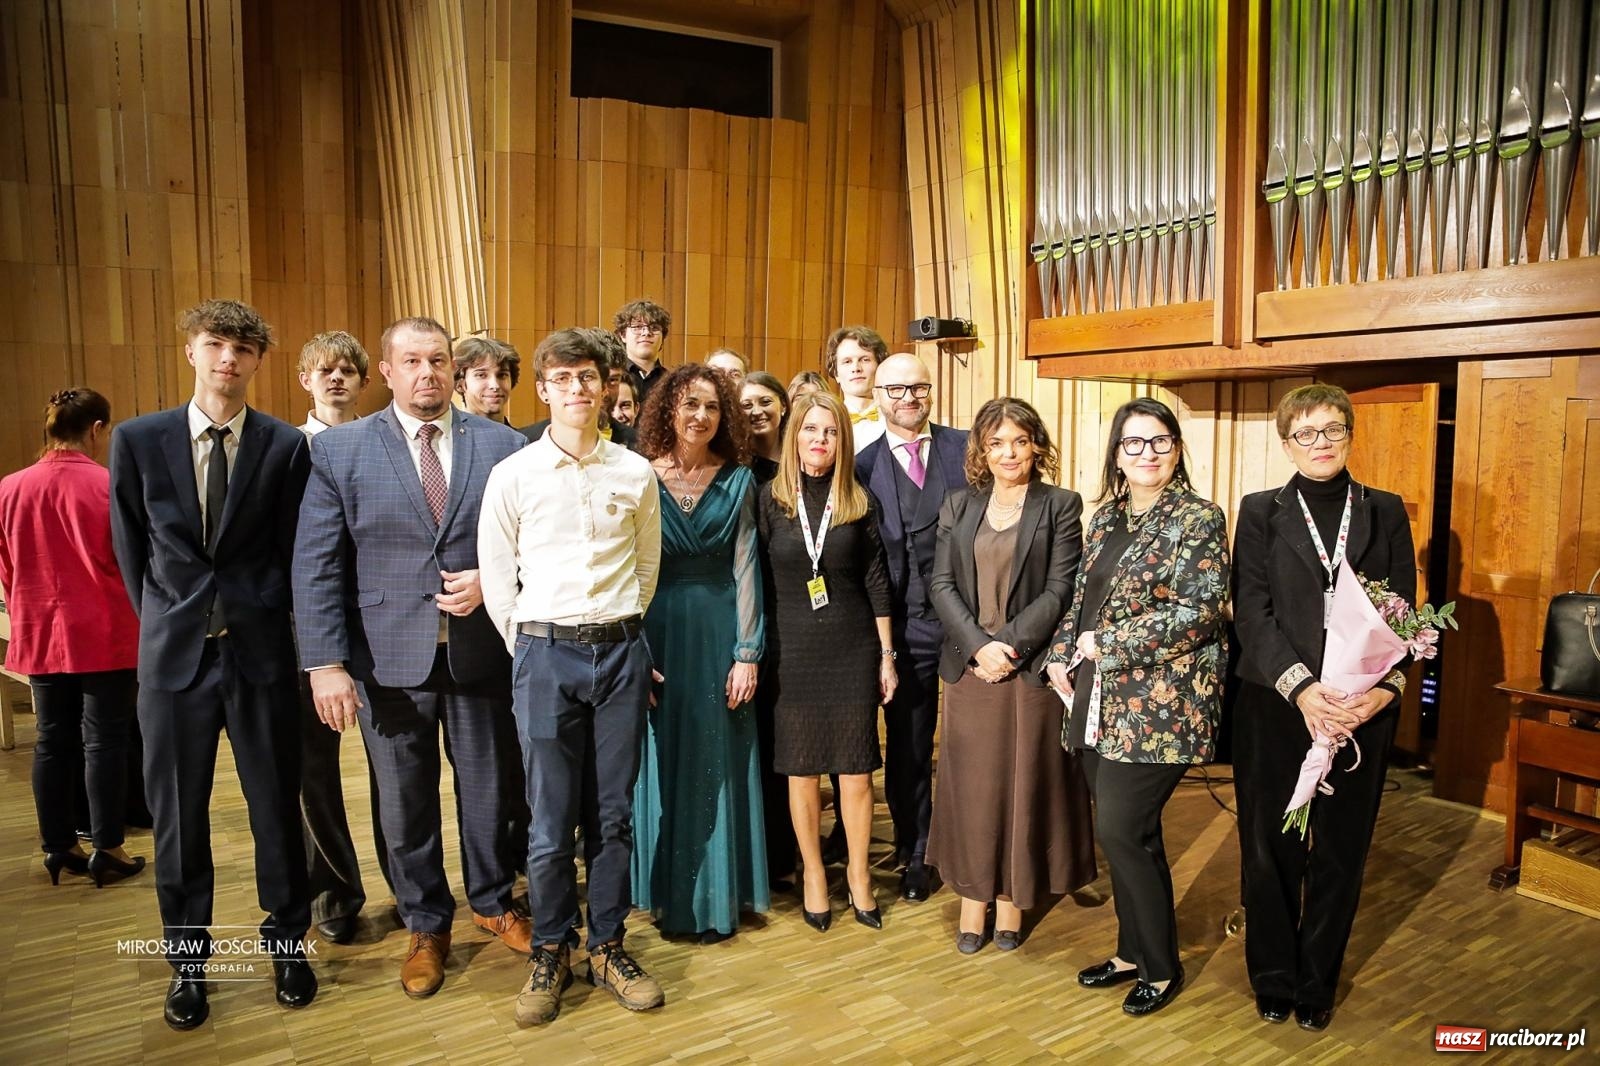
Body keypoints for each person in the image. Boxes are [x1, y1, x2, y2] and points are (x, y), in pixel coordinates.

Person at [292, 316, 531, 1001]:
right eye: (412, 361)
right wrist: (325, 663)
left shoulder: (503, 445)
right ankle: (427, 924)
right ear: (389, 373)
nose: (427, 372)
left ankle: (490, 900)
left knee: (489, 793)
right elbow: (317, 565)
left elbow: (529, 540)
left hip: (480, 654)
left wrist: (495, 579)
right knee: (404, 804)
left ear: (453, 371)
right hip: (384, 660)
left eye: (438, 361)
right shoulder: (341, 451)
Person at [109, 299, 317, 1029]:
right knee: (176, 820)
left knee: (274, 811)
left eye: (243, 349)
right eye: (215, 344)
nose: (228, 358)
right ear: (192, 350)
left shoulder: (286, 445)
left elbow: (295, 552)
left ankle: (288, 943)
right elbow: (130, 549)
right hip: (173, 662)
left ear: (258, 362)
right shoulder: (137, 441)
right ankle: (188, 964)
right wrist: (171, 620)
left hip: (259, 655)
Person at [479, 327, 665, 1027]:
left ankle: (608, 944)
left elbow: (646, 569)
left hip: (621, 652)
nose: (579, 389)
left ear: (608, 385)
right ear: (545, 388)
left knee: (612, 818)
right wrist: (533, 648)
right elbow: (499, 581)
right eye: (564, 378)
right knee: (551, 822)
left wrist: (616, 630)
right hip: (543, 654)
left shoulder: (634, 472)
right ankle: (552, 947)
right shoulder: (513, 475)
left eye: (590, 376)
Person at [1232, 384, 1415, 1033]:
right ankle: (1274, 975)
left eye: (1332, 430)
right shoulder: (1259, 512)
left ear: (1349, 436)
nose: (1320, 443)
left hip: (1359, 708)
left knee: (1340, 851)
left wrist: (1372, 699)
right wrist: (1303, 689)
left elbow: (1404, 617)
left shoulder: (1384, 511)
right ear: (1286, 443)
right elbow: (1252, 614)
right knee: (1270, 846)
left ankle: (1317, 979)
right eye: (1306, 433)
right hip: (1276, 706)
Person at [1043, 397, 1229, 1018]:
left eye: (1159, 441)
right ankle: (1130, 952)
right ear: (1117, 455)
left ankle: (1160, 965)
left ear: (1176, 448)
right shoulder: (1105, 519)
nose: (1147, 453)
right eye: (1134, 443)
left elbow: (1197, 614)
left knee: (1123, 829)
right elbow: (1080, 601)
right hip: (1096, 697)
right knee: (1123, 834)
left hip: (1163, 704)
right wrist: (1062, 655)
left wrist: (1108, 643)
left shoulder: (1199, 518)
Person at [927, 397, 1094, 951]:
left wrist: (1009, 646)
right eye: (997, 442)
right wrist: (978, 647)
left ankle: (1012, 899)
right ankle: (974, 896)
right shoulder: (957, 505)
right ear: (981, 450)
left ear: (1037, 446)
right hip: (970, 670)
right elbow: (941, 585)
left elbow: (1060, 589)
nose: (1009, 453)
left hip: (1030, 670)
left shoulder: (1060, 505)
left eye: (1019, 441)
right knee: (974, 790)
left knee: (1023, 786)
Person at [629, 364, 768, 942]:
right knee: (659, 759)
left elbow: (745, 566)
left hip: (719, 631)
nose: (700, 416)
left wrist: (747, 651)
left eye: (712, 407)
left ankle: (716, 897)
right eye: (689, 405)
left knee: (717, 757)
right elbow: (626, 566)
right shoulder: (636, 475)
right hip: (655, 628)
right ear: (667, 409)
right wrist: (632, 647)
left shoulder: (739, 479)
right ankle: (666, 893)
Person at [757, 391, 897, 932]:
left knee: (856, 774)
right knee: (801, 773)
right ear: (795, 437)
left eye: (831, 431)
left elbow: (877, 581)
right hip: (792, 651)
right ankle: (814, 874)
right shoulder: (769, 499)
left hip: (852, 646)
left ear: (843, 440)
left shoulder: (859, 500)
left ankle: (859, 877)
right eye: (811, 430)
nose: (820, 440)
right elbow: (755, 580)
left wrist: (887, 655)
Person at [0, 388, 144, 889]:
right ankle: (109, 846)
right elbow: (134, 561)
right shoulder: (109, 485)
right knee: (104, 741)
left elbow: (8, 569)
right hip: (105, 630)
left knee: (51, 741)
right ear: (98, 428)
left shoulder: (9, 488)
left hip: (40, 629)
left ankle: (58, 846)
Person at [855, 353, 969, 902]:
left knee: (973, 746)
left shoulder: (967, 448)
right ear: (877, 395)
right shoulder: (859, 464)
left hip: (971, 624)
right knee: (909, 747)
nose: (908, 399)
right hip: (901, 629)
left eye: (918, 388)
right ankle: (916, 850)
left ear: (932, 392)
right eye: (895, 389)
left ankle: (973, 845)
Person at [294, 331, 386, 945]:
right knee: (314, 772)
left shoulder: (385, 442)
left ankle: (410, 886)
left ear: (362, 380)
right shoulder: (284, 448)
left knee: (395, 773)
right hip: (315, 633)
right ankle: (334, 892)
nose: (336, 379)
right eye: (324, 370)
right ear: (306, 380)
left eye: (347, 371)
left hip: (381, 630)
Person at [738, 370, 794, 890]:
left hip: (796, 612)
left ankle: (786, 850)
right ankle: (759, 850)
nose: (756, 410)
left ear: (783, 406)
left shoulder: (801, 464)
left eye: (764, 401)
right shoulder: (737, 469)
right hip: (751, 612)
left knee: (786, 737)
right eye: (746, 403)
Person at [521, 328, 636, 449]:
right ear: (543, 390)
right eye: (562, 379)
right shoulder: (524, 443)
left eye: (612, 380)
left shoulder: (640, 449)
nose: (578, 388)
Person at [822, 326, 888, 453]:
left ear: (880, 366)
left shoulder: (897, 419)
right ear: (836, 373)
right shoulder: (826, 420)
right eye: (847, 361)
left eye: (865, 360)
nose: (856, 368)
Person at [614, 298, 671, 406]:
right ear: (623, 335)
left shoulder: (672, 382)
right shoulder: (611, 378)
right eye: (638, 327)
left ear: (663, 337)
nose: (646, 333)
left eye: (654, 328)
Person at [454, 334, 520, 423]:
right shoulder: (447, 436)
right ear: (460, 384)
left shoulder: (522, 437)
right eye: (481, 375)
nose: (495, 385)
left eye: (502, 375)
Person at [741, 370, 788, 479]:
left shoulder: (801, 456)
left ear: (783, 405)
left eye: (765, 402)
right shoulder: (734, 463)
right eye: (747, 405)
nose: (757, 412)